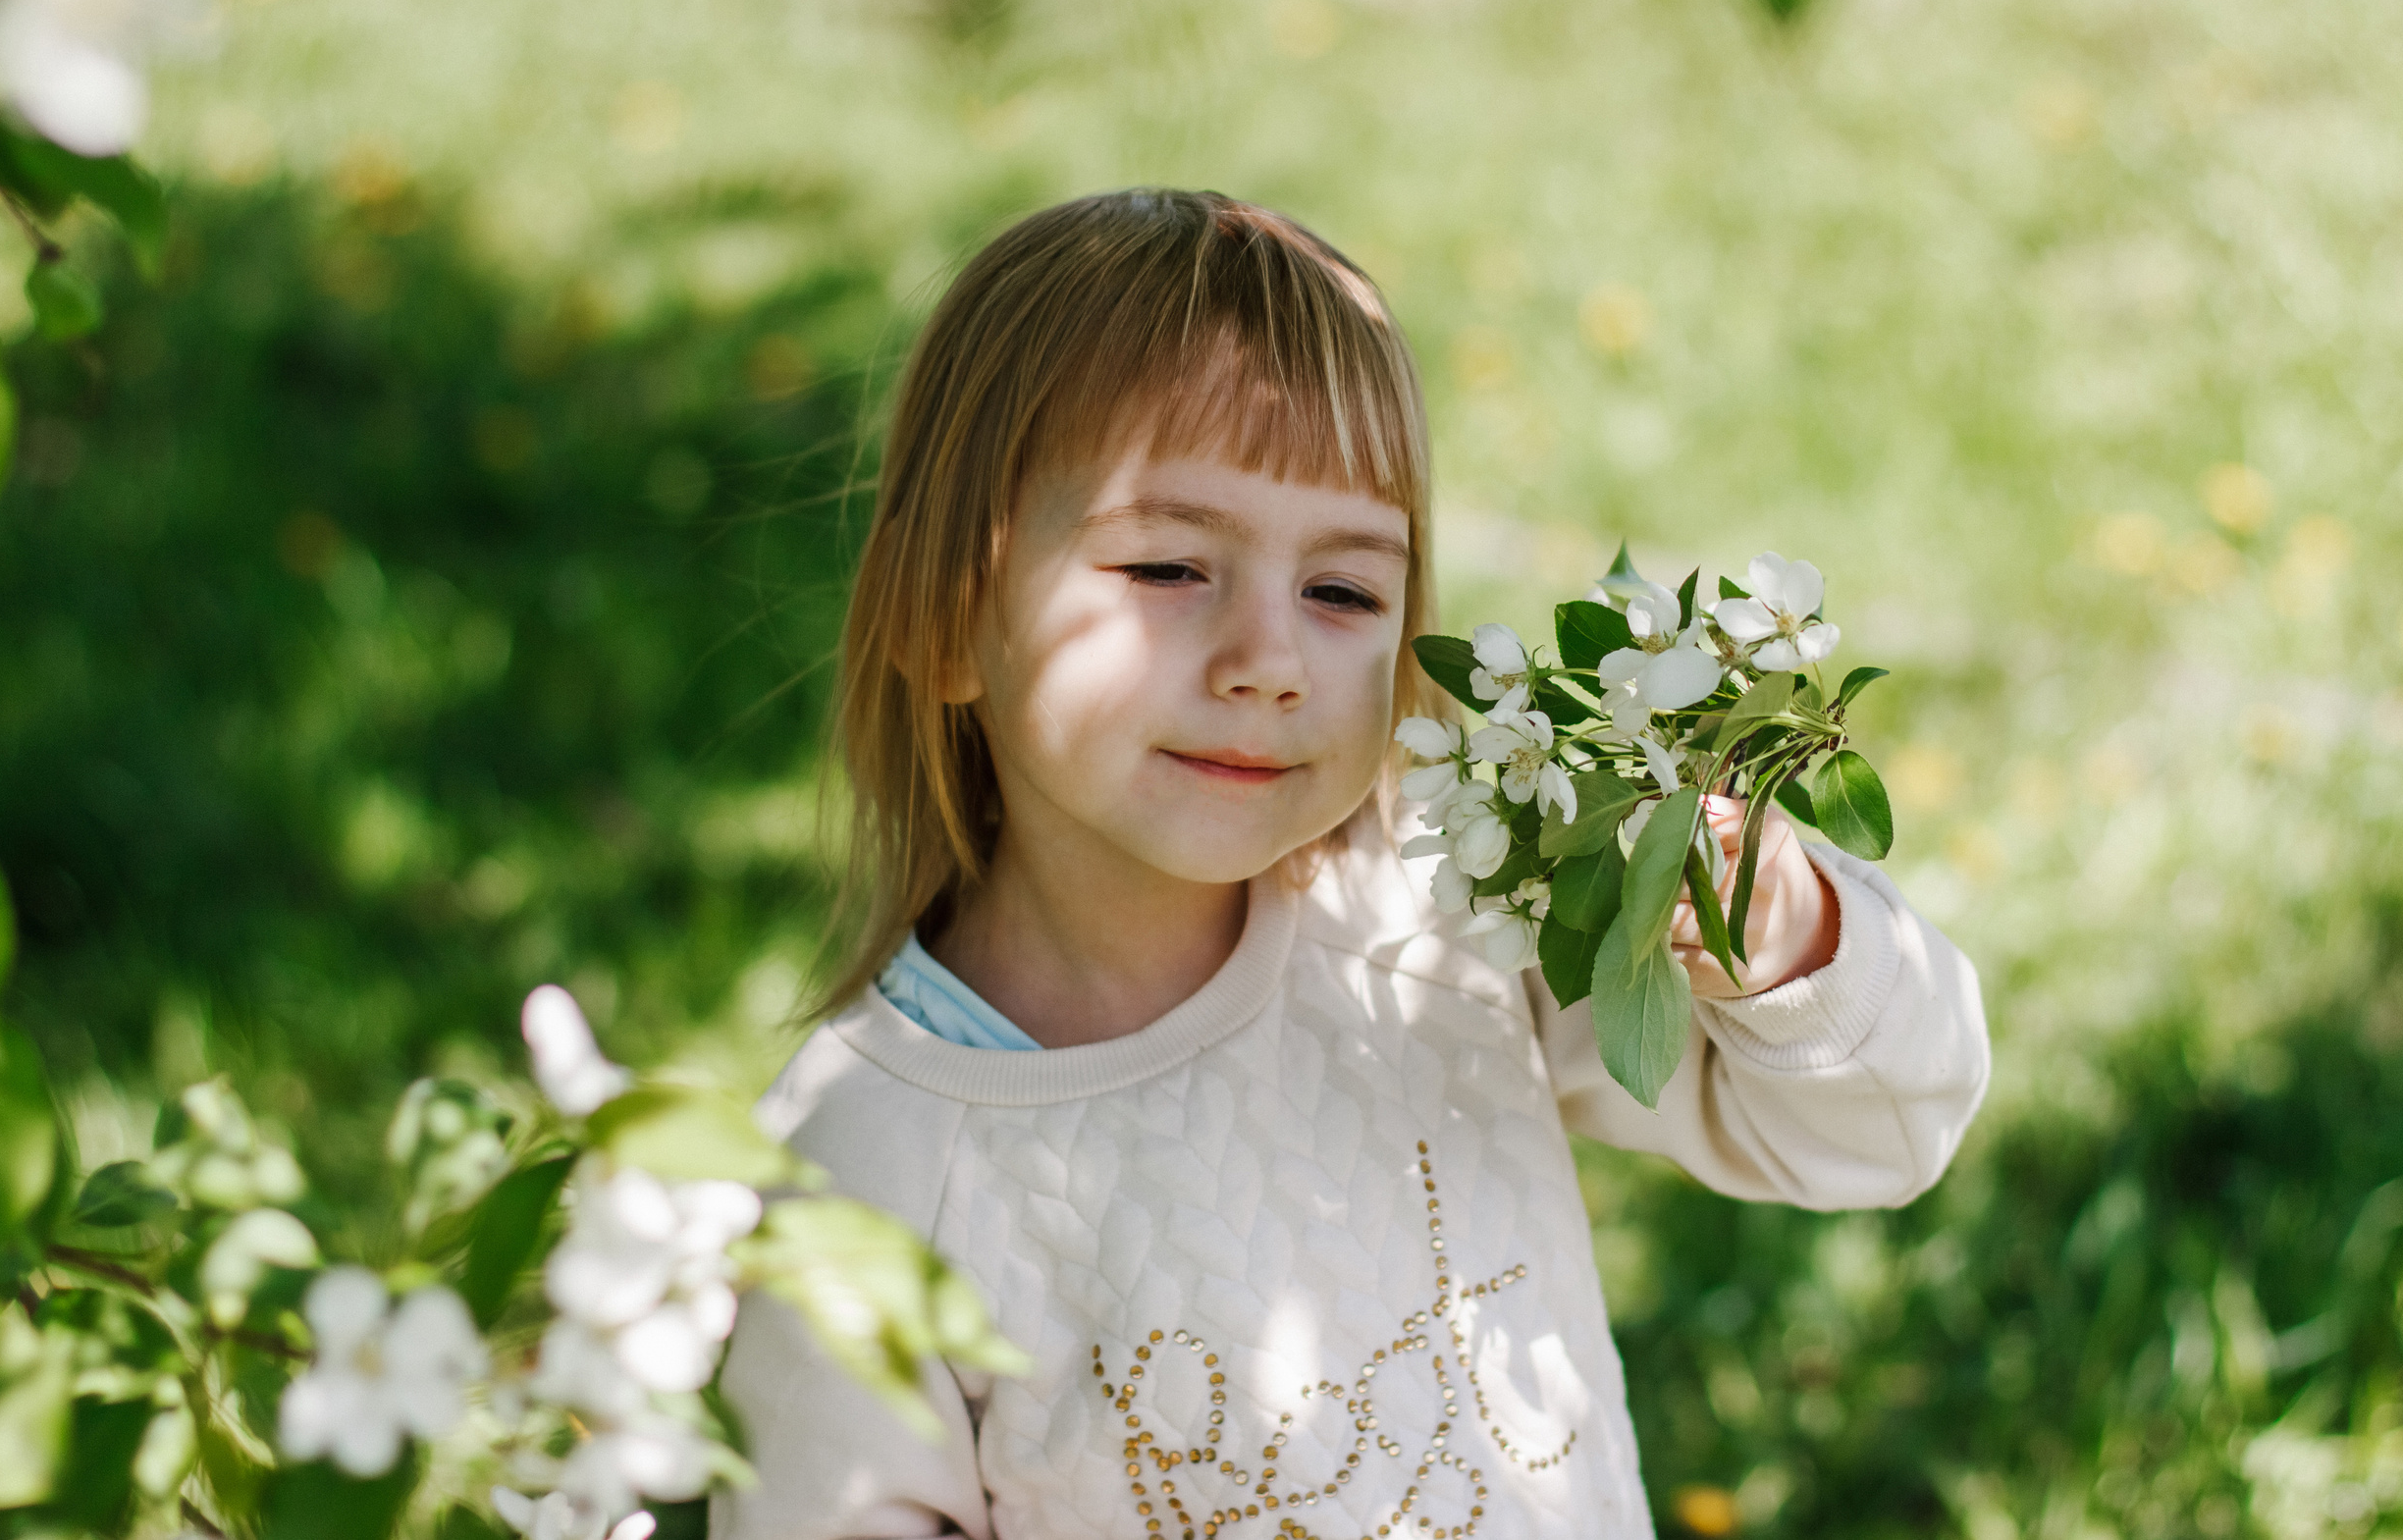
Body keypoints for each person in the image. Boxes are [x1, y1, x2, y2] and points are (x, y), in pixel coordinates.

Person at [711, 188, 1989, 1540]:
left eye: (1343, 593)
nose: (1268, 659)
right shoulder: (865, 1163)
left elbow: (1879, 1132)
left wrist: (1774, 937)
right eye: (1166, 567)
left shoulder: (1447, 901)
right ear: (954, 618)